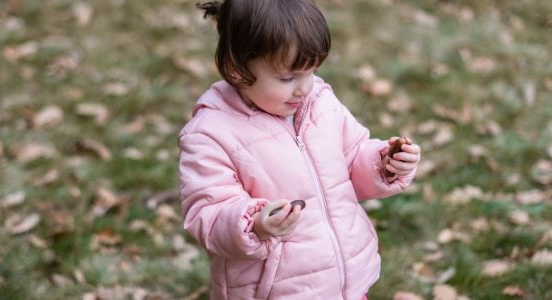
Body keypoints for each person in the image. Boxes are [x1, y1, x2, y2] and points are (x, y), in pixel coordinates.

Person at [178, 0, 421, 299]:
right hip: (274, 290)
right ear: (236, 69)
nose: (304, 88)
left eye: (311, 71)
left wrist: (384, 163)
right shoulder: (210, 133)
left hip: (344, 280)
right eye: (287, 78)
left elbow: (352, 159)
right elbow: (207, 214)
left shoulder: (320, 102)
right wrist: (255, 223)